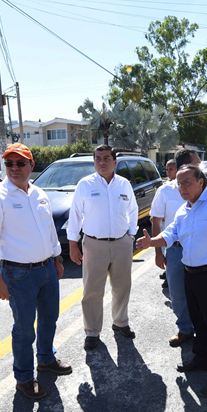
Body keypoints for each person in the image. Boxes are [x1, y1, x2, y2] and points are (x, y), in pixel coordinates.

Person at [135, 165, 207, 398]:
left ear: (201, 182)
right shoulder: (184, 210)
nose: (181, 188)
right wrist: (151, 243)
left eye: (187, 183)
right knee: (198, 322)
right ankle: (202, 359)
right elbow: (171, 233)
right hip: (189, 274)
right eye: (179, 183)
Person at [0, 143, 71, 400]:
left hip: (47, 269)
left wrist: (57, 258)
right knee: (24, 329)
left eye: (20, 163)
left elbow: (50, 231)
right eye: (9, 164)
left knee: (50, 319)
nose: (14, 168)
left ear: (31, 165)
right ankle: (24, 378)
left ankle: (46, 359)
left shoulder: (39, 193)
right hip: (19, 275)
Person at [68, 145, 139, 350]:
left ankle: (120, 322)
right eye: (98, 158)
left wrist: (130, 235)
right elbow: (75, 215)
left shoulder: (124, 184)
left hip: (121, 243)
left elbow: (133, 210)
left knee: (122, 287)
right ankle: (92, 332)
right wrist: (73, 245)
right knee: (92, 291)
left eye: (107, 158)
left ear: (115, 162)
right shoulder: (85, 184)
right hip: (93, 245)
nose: (102, 162)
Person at [150, 155, 194, 346]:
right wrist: (158, 252)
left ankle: (200, 328)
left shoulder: (200, 187)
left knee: (198, 292)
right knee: (177, 293)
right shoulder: (165, 191)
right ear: (182, 166)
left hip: (196, 249)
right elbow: (156, 220)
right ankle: (185, 329)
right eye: (194, 163)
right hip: (174, 250)